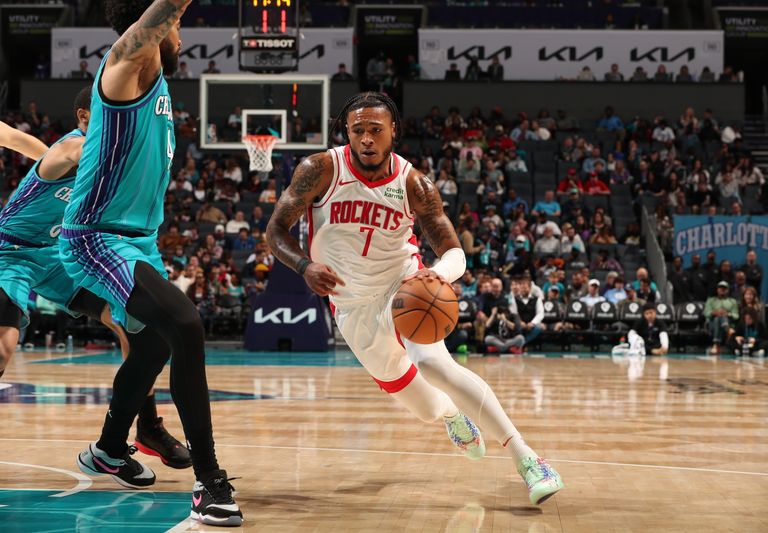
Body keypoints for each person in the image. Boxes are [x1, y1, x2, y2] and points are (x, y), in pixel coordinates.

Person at [266, 92, 563, 506]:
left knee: (434, 363)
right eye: (358, 131)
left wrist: (435, 275)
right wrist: (303, 267)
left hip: (403, 288)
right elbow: (275, 231)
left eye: (375, 130)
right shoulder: (319, 169)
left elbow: (455, 252)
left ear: (394, 133)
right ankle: (451, 416)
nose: (366, 139)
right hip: (352, 305)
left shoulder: (414, 183)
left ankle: (527, 458)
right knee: (424, 406)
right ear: (347, 133)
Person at [57, 1, 241, 525]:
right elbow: (158, 15)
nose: (181, 34)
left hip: (138, 241)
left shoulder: (155, 83)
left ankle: (110, 449)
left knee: (154, 344)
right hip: (95, 238)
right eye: (177, 24)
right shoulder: (120, 69)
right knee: (185, 325)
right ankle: (210, 482)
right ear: (156, 25)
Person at [0, 93, 191, 468]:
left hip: (58, 255)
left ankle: (148, 426)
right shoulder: (73, 147)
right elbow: (20, 138)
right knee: (4, 347)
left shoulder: (93, 161)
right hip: (11, 253)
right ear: (85, 116)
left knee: (132, 324)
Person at [704, 281, 739, 355]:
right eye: (720, 288)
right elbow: (706, 313)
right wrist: (714, 313)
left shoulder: (732, 301)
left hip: (729, 322)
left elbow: (736, 316)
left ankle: (716, 345)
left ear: (728, 290)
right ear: (717, 289)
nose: (722, 290)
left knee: (719, 318)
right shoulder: (711, 300)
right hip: (712, 324)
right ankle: (726, 329)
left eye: (724, 288)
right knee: (717, 318)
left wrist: (728, 314)